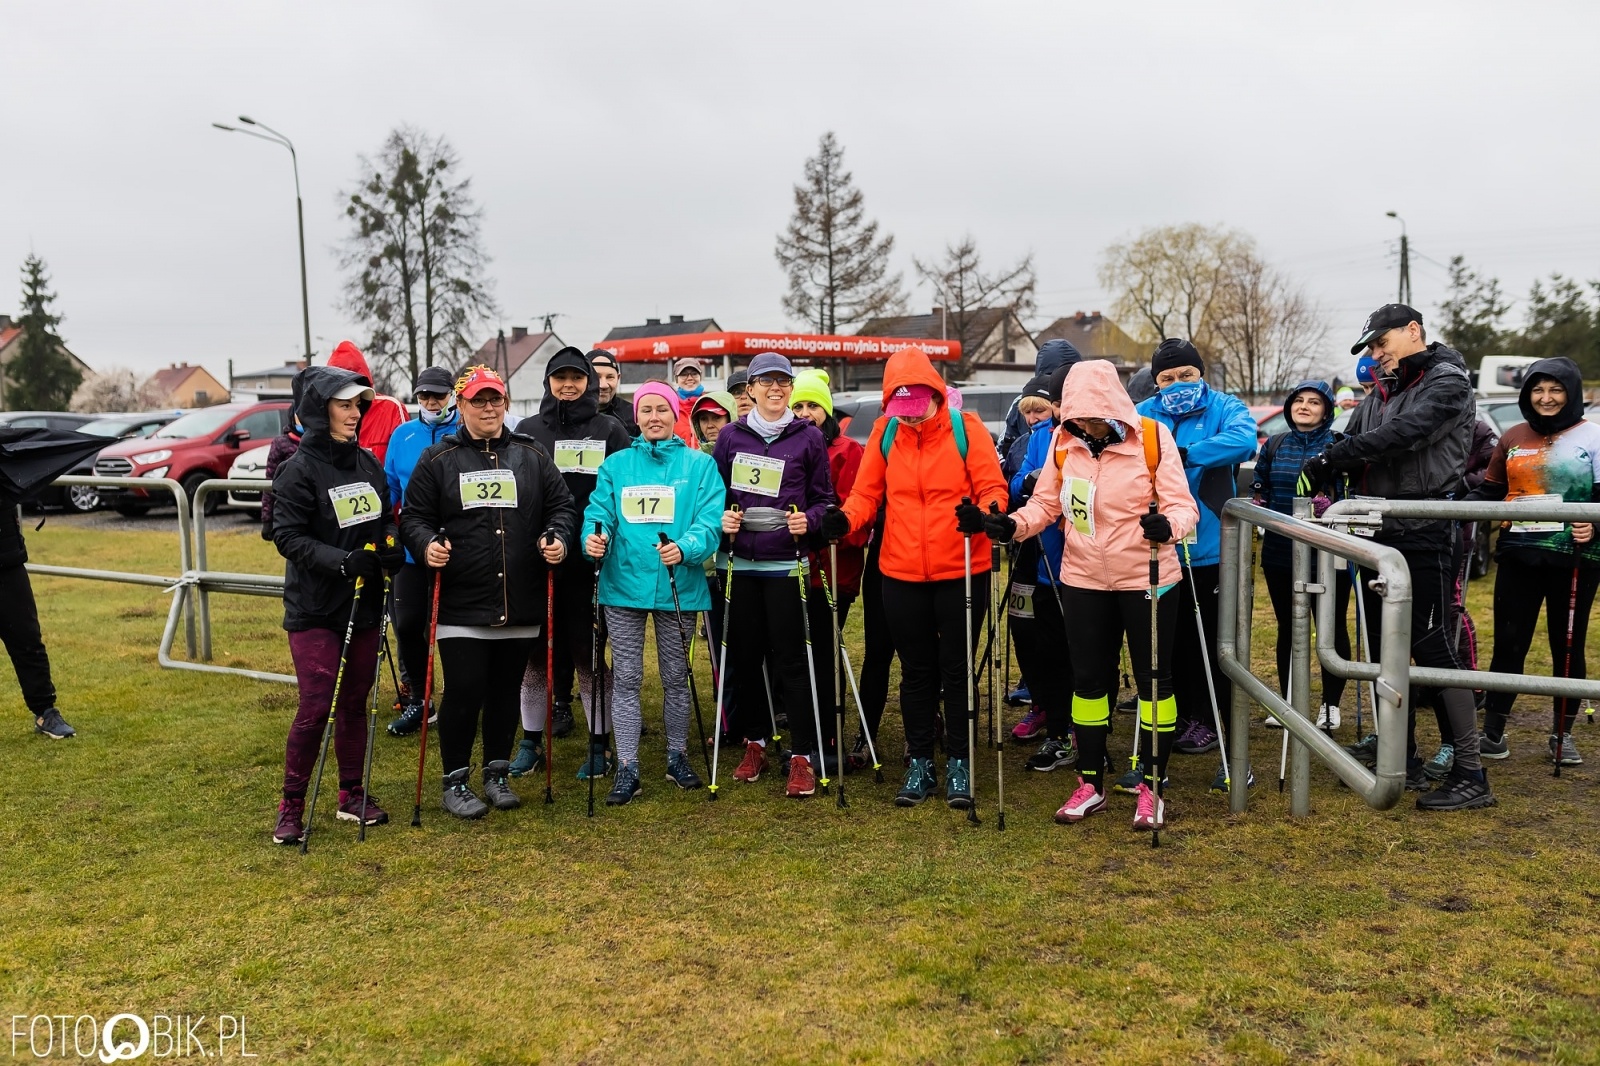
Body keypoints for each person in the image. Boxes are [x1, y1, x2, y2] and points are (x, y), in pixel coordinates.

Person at [985, 359, 1197, 830]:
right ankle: (1089, 783)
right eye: (1076, 415)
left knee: (1154, 683)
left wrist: (1169, 525)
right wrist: (1012, 526)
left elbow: (1184, 507)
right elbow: (1044, 504)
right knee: (1088, 683)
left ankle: (1152, 785)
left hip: (1148, 576)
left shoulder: (1153, 438)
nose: (1085, 423)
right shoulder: (1064, 443)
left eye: (1093, 414)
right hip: (1083, 578)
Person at [1302, 303, 1493, 811]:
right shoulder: (1384, 388)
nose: (1376, 354)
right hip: (1378, 533)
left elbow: (1405, 434)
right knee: (1385, 647)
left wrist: (1334, 457)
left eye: (1381, 343)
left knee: (1433, 649)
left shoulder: (1446, 381)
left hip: (1426, 532)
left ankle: (1473, 772)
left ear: (1414, 331)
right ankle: (1400, 756)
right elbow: (1354, 436)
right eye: (1370, 348)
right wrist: (1323, 460)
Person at [822, 346, 1008, 810]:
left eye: (915, 408)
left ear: (935, 394)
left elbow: (993, 488)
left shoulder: (967, 429)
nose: (908, 418)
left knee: (956, 668)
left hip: (962, 567)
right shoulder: (886, 433)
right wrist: (845, 521)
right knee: (916, 671)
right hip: (901, 570)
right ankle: (921, 761)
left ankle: (960, 763)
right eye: (899, 410)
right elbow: (866, 493)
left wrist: (984, 515)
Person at [399, 366, 576, 819]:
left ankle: (496, 773)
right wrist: (425, 545)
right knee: (464, 690)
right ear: (461, 406)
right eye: (479, 400)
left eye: (495, 399)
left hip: (520, 595)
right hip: (462, 598)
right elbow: (413, 517)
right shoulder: (438, 459)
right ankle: (454, 779)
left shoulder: (532, 455)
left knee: (504, 691)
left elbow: (561, 505)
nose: (490, 408)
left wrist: (557, 536)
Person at [268, 365, 403, 844]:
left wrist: (389, 543)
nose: (355, 413)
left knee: (354, 700)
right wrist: (341, 561)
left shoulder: (366, 464)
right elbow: (286, 535)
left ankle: (351, 793)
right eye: (345, 405)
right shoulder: (296, 470)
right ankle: (291, 805)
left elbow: (385, 518)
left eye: (358, 406)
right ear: (320, 411)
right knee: (317, 701)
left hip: (363, 604)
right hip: (315, 607)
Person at [582, 381, 724, 803]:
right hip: (623, 584)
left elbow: (710, 521)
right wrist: (595, 536)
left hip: (677, 581)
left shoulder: (700, 466)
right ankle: (627, 766)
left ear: (675, 415)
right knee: (625, 677)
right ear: (637, 417)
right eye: (647, 410)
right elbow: (599, 512)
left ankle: (677, 755)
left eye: (662, 409)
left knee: (677, 677)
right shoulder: (617, 465)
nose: (654, 417)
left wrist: (687, 547)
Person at [1465, 356, 1599, 765]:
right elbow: (1489, 493)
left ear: (1570, 392)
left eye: (1556, 389)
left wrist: (1595, 525)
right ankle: (1493, 733)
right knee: (1508, 641)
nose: (1546, 397)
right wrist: (1451, 510)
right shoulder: (1513, 436)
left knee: (1567, 643)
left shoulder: (1593, 436)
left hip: (1574, 556)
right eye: (1538, 390)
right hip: (1519, 554)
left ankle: (1562, 734)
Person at [713, 352, 835, 797]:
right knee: (745, 660)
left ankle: (801, 755)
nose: (775, 388)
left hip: (787, 565)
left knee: (791, 661)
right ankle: (756, 742)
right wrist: (722, 519)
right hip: (740, 565)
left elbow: (825, 498)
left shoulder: (808, 438)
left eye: (783, 381)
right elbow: (717, 495)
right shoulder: (730, 436)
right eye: (766, 381)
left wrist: (812, 522)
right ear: (750, 390)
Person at [1135, 339, 1258, 772]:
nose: (1177, 384)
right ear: (1156, 382)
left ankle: (1211, 717)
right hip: (1163, 548)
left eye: (1186, 375)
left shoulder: (1224, 406)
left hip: (1211, 548)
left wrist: (1184, 453)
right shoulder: (1145, 413)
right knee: (1174, 639)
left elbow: (1244, 442)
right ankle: (1186, 713)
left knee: (1212, 638)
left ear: (1200, 374)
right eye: (1167, 378)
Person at [511, 347, 633, 777]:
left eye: (576, 378)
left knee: (589, 655)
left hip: (590, 563)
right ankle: (529, 741)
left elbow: (624, 491)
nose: (568, 385)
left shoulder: (611, 430)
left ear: (590, 382)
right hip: (538, 560)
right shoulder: (526, 431)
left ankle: (599, 746)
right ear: (548, 382)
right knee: (533, 656)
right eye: (559, 377)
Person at [1250, 381, 1351, 736]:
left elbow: (1351, 490)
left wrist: (1333, 502)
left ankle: (1331, 706)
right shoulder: (1275, 443)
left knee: (1330, 627)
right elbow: (1259, 482)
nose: (1304, 406)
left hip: (1328, 553)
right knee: (1289, 628)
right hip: (1281, 551)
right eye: (1299, 401)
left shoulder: (1338, 445)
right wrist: (1259, 499)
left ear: (1326, 410)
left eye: (1314, 402)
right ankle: (1289, 703)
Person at [791, 369, 870, 770]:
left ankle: (830, 736)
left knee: (823, 648)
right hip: (793, 566)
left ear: (827, 409)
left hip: (834, 569)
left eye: (812, 406)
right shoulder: (788, 447)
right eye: (798, 406)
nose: (805, 413)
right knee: (800, 651)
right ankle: (804, 733)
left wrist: (826, 529)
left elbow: (858, 514)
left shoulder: (848, 451)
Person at [1003, 365, 1076, 771]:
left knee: (1082, 651)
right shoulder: (1040, 438)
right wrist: (1029, 481)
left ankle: (1082, 727)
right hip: (1045, 559)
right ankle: (1056, 727)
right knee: (1046, 647)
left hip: (1089, 565)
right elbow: (1019, 485)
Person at [381, 365, 461, 735]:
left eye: (438, 395)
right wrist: (386, 533)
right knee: (410, 625)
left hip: (459, 547)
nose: (431, 401)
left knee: (458, 628)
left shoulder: (465, 431)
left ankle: (463, 697)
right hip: (413, 549)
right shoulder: (403, 435)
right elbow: (390, 491)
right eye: (424, 395)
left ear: (452, 395)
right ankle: (419, 700)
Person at [998, 338, 1080, 461]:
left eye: (1039, 410)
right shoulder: (1021, 402)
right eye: (1027, 412)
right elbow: (1003, 448)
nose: (1032, 420)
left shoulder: (1081, 404)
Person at [327, 340, 407, 464]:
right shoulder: (322, 413)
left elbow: (405, 464)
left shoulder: (390, 409)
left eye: (354, 383)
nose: (356, 414)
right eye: (345, 405)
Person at [589, 350, 639, 437]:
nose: (603, 385)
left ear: (618, 378)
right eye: (596, 377)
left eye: (610, 377)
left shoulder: (634, 415)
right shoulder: (567, 415)